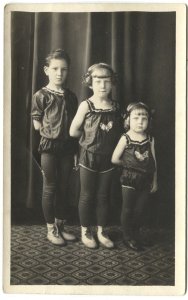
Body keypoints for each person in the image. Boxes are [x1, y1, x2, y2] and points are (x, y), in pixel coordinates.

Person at [69, 63, 122, 249]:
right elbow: (73, 131)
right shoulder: (86, 105)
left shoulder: (115, 107)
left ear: (112, 83)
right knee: (87, 195)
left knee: (103, 195)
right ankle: (85, 230)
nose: (102, 85)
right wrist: (89, 140)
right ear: (90, 83)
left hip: (108, 158)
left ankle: (101, 230)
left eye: (106, 81)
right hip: (88, 157)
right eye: (98, 80)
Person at [31, 49, 78, 246]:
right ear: (46, 70)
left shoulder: (71, 97)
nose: (59, 73)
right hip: (49, 147)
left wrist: (75, 150)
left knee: (64, 187)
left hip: (68, 148)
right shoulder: (41, 95)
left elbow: (75, 127)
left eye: (64, 69)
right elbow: (36, 124)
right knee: (50, 187)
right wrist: (51, 134)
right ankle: (51, 229)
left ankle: (61, 226)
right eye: (55, 69)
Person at [111, 102, 157, 251]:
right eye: (136, 118)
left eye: (144, 118)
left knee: (140, 209)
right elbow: (114, 158)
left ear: (149, 121)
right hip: (129, 179)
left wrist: (155, 181)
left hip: (146, 179)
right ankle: (127, 236)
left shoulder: (150, 139)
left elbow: (154, 162)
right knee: (128, 209)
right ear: (128, 120)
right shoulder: (126, 138)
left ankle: (136, 234)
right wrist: (130, 166)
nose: (140, 121)